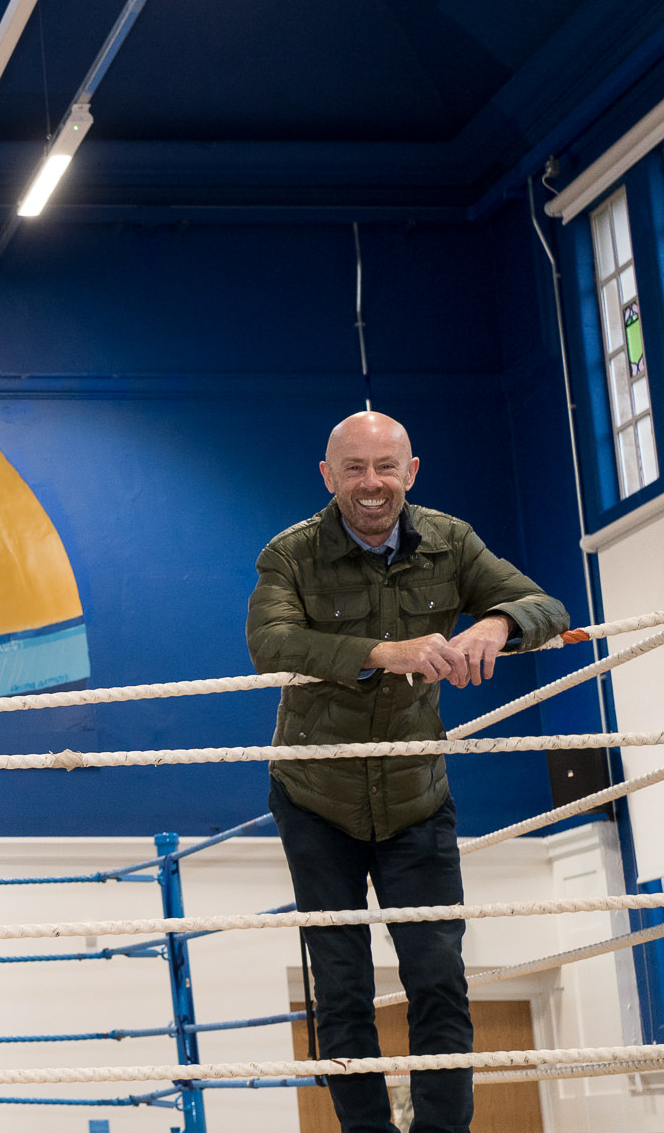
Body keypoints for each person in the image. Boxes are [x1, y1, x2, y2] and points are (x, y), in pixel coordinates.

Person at [247, 411, 565, 1133]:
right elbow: (268, 641)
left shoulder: (452, 541)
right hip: (314, 796)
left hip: (417, 797)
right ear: (327, 476)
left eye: (385, 467)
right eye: (354, 468)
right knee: (341, 989)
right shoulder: (289, 553)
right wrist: (381, 651)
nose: (371, 484)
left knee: (439, 980)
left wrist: (497, 623)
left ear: (411, 472)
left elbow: (546, 604)